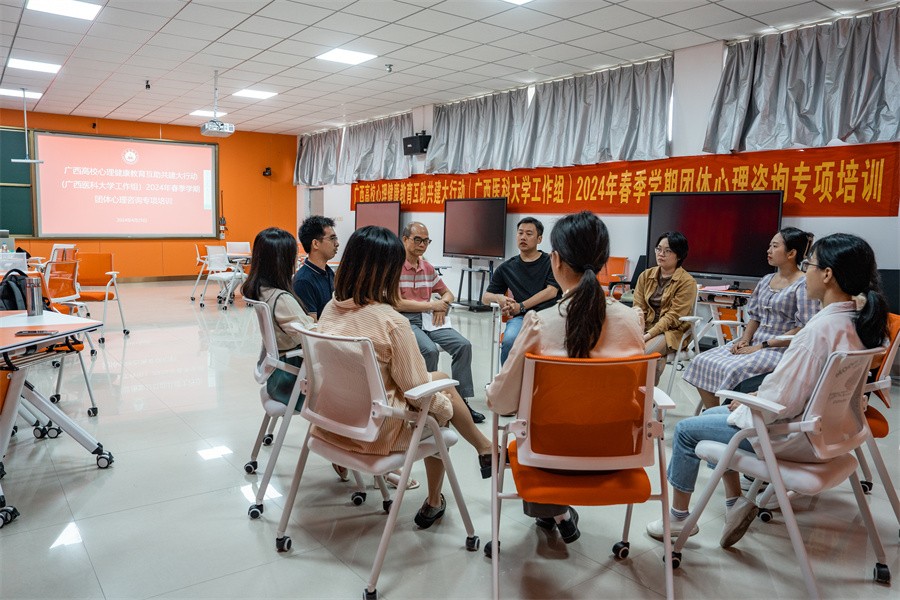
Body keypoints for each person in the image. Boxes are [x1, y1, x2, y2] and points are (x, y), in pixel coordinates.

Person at [646, 233, 889, 548]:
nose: (807, 271)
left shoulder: (815, 333)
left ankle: (678, 519)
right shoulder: (859, 324)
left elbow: (782, 402)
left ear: (827, 275)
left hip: (792, 436)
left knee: (686, 431)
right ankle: (734, 502)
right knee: (715, 413)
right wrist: (751, 400)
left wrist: (749, 404)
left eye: (811, 264)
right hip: (834, 432)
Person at [314, 226, 494, 529]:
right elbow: (417, 392)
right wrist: (447, 407)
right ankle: (436, 500)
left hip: (332, 422)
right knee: (438, 406)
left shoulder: (331, 308)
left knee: (438, 378)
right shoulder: (391, 322)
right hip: (375, 433)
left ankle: (485, 447)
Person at [486, 211, 645, 544]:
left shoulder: (540, 324)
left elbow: (501, 403)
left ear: (555, 260)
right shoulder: (632, 321)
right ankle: (554, 513)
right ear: (603, 261)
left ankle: (551, 509)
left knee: (527, 429)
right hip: (616, 454)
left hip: (548, 455)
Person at [682, 227, 820, 409]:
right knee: (701, 361)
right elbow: (755, 316)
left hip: (779, 349)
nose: (768, 250)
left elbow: (803, 327)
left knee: (734, 369)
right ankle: (713, 413)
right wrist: (745, 340)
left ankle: (729, 414)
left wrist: (762, 346)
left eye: (775, 246)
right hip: (754, 344)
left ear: (791, 253)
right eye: (770, 246)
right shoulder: (766, 280)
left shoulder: (803, 284)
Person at [398, 221, 483, 423]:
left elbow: (448, 293)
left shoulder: (427, 267)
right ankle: (427, 403)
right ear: (405, 239)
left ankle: (461, 403)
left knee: (463, 345)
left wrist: (442, 305)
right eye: (417, 240)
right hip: (406, 319)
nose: (422, 245)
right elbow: (397, 303)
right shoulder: (394, 267)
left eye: (426, 241)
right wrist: (432, 305)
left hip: (429, 318)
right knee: (429, 350)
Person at [241, 227, 314, 407]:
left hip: (278, 380)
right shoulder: (282, 300)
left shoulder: (262, 291)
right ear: (282, 261)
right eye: (294, 255)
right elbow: (312, 338)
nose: (297, 259)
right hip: (294, 385)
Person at [482, 217, 562, 365]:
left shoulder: (551, 262)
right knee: (510, 340)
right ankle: (507, 378)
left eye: (529, 234)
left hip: (550, 315)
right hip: (522, 319)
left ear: (539, 239)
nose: (523, 237)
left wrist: (521, 306)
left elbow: (551, 291)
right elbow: (485, 298)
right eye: (520, 233)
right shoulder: (507, 267)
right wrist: (499, 298)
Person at [632, 231, 697, 384]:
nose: (661, 254)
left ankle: (643, 395)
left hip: (671, 332)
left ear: (679, 255)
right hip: (645, 327)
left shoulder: (687, 282)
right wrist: (639, 330)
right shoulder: (645, 275)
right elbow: (638, 308)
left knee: (643, 353)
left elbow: (673, 317)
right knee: (623, 349)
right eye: (659, 249)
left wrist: (647, 336)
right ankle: (642, 394)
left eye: (667, 251)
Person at [292, 215, 338, 320]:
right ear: (316, 243)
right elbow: (311, 325)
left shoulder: (328, 272)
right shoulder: (303, 281)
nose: (337, 243)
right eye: (332, 238)